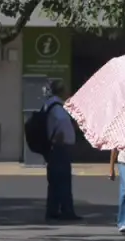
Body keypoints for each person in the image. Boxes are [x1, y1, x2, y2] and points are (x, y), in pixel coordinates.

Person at [43, 80, 80, 221]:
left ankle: (53, 210)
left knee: (55, 181)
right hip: (59, 147)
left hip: (56, 147)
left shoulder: (51, 104)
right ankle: (67, 210)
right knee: (63, 180)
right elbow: (61, 125)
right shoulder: (57, 107)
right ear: (61, 91)